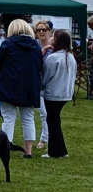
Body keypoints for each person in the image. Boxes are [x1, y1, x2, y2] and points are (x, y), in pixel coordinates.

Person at [0, 19, 42, 158]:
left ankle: (5, 148)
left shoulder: (8, 44)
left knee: (8, 118)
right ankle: (28, 151)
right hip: (30, 87)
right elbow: (40, 66)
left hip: (9, 85)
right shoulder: (35, 46)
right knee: (28, 118)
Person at [40, 30, 75, 159]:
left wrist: (41, 86)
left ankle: (54, 151)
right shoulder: (70, 56)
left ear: (57, 40)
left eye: (53, 37)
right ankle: (62, 149)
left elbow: (45, 77)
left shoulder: (53, 57)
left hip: (53, 94)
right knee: (55, 120)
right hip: (65, 93)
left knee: (52, 121)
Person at [33, 19, 52, 149]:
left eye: (43, 30)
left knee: (52, 113)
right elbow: (32, 61)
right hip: (39, 82)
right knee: (43, 112)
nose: (41, 32)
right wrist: (42, 51)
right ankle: (44, 138)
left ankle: (52, 137)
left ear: (48, 31)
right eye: (38, 30)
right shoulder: (35, 45)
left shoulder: (55, 44)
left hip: (52, 82)